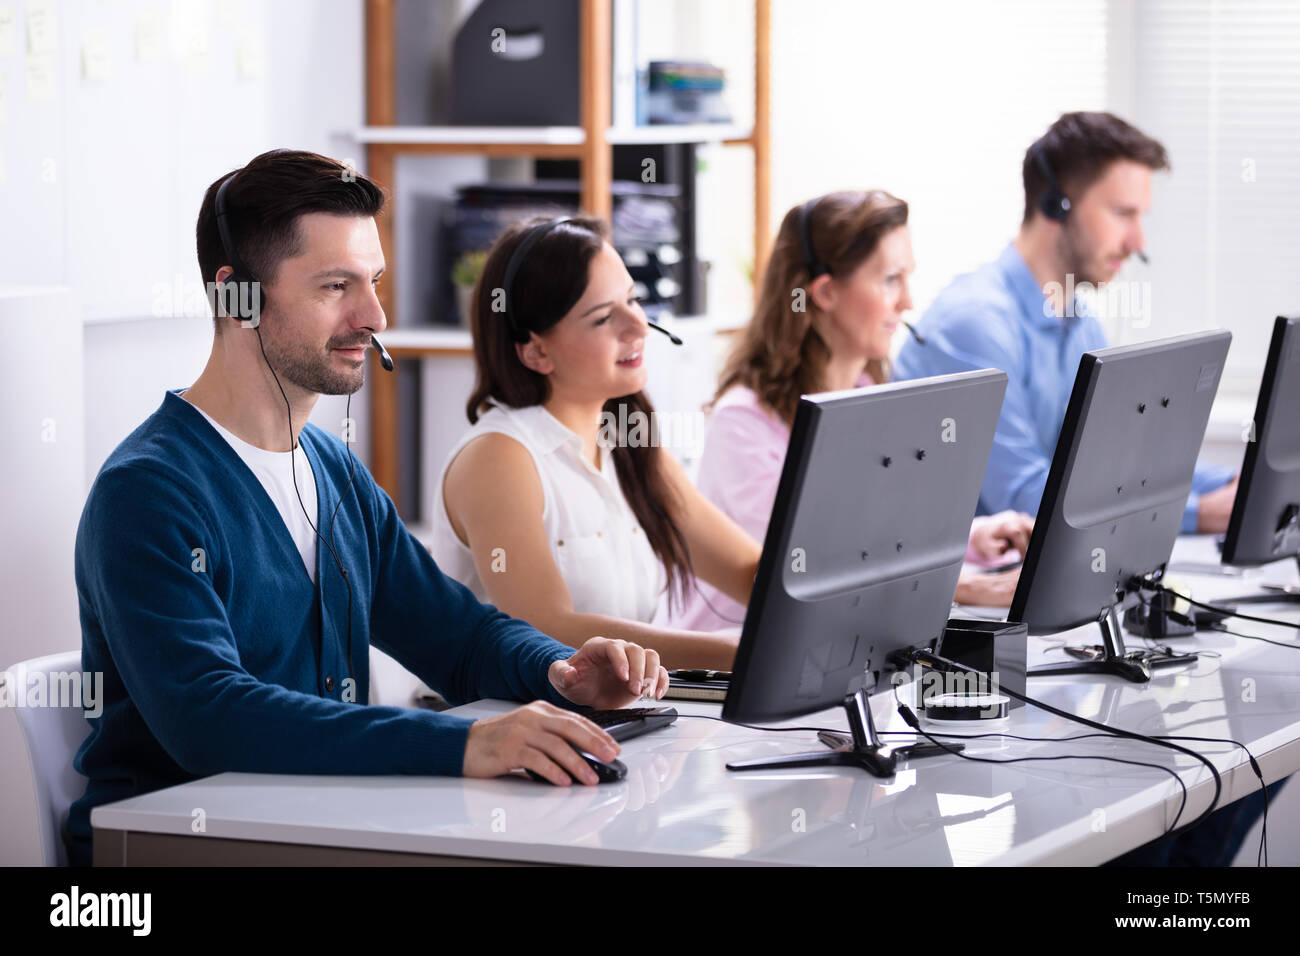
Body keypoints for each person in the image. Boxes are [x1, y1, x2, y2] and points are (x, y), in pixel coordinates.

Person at [65, 151, 668, 867]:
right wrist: (466, 744)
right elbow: (209, 716)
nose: (374, 316)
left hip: (321, 833)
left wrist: (559, 672)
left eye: (373, 282)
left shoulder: (333, 471)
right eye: (335, 286)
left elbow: (458, 637)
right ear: (236, 298)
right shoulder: (149, 491)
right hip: (177, 851)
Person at [668, 191, 1035, 632]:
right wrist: (963, 586)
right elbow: (808, 568)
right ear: (824, 292)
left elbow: (884, 538)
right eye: (891, 280)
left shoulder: (867, 394)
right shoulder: (742, 423)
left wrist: (974, 539)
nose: (907, 303)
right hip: (729, 665)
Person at [430, 216, 763, 672]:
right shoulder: (499, 457)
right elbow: (545, 629)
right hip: (513, 723)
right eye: (604, 317)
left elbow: (749, 573)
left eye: (633, 300)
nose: (638, 327)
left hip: (625, 717)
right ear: (536, 352)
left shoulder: (628, 440)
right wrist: (729, 654)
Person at [893, 111, 1237, 534]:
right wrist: (1199, 514)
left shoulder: (1080, 324)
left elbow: (1121, 459)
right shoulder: (976, 325)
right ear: (1056, 206)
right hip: (971, 587)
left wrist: (1232, 484)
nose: (1137, 243)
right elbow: (1024, 495)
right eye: (1122, 214)